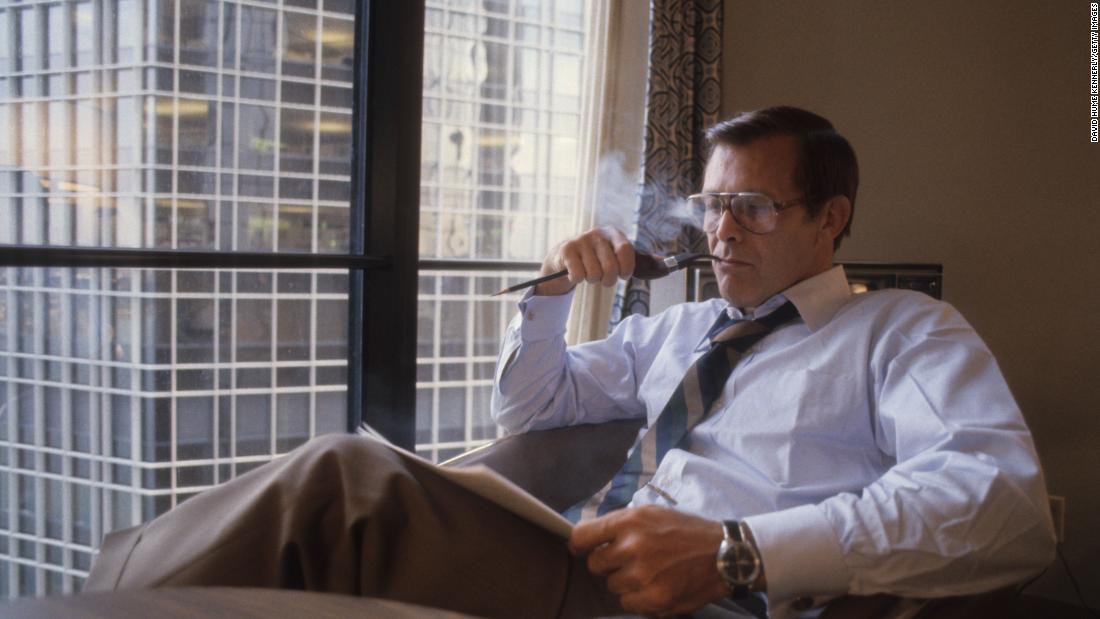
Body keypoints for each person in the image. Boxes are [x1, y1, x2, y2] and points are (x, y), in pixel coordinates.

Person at [84, 106, 1055, 619]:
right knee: (326, 518)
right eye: (711, 205)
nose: (718, 230)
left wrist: (734, 550)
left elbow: (1003, 503)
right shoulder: (679, 330)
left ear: (828, 217)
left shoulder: (900, 331)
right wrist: (550, 290)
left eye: (750, 207)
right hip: (581, 563)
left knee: (346, 485)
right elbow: (529, 405)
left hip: (707, 597)